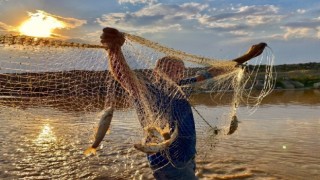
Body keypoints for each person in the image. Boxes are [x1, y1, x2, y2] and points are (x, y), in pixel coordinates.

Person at [100, 27, 266, 179]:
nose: (176, 72)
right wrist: (114, 50)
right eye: (169, 68)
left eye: (180, 70)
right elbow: (124, 76)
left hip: (187, 155)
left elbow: (213, 72)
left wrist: (248, 56)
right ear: (157, 72)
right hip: (167, 162)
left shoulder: (182, 87)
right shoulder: (148, 91)